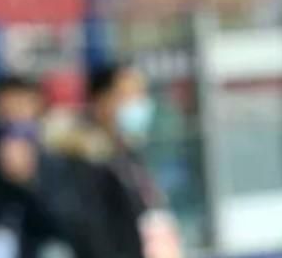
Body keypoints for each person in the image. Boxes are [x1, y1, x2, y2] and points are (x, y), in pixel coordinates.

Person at [44, 62, 183, 258]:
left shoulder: (128, 155)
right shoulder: (82, 161)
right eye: (127, 95)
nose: (138, 104)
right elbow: (92, 236)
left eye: (141, 94)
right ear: (101, 101)